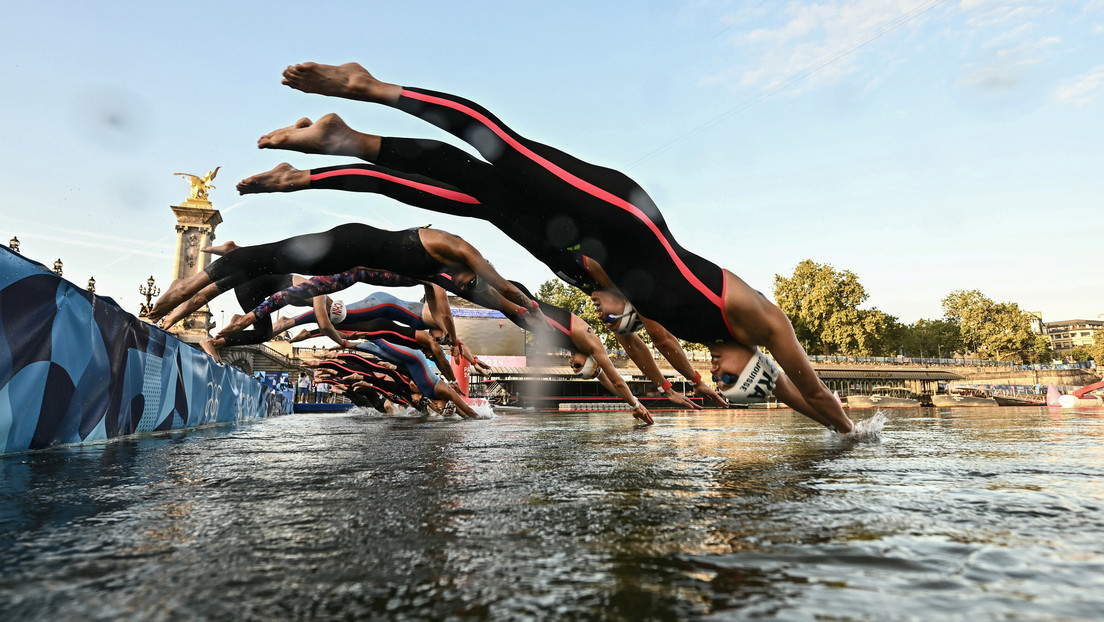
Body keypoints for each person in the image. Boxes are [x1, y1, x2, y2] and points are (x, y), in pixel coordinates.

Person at [237, 61, 854, 433]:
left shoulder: (706, 339)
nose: (714, 380)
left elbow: (781, 391)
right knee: (503, 148)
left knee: (469, 192)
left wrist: (832, 434)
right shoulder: (752, 317)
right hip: (623, 215)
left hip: (582, 252)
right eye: (729, 378)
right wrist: (851, 431)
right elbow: (812, 387)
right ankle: (369, 87)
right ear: (748, 361)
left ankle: (342, 148)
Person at [147, 222, 547, 335]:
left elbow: (498, 301)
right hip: (348, 242)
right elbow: (507, 289)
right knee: (196, 288)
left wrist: (524, 317)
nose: (466, 288)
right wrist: (533, 309)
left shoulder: (441, 277)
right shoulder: (458, 250)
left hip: (347, 266)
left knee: (277, 276)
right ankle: (169, 302)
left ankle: (234, 263)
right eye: (469, 283)